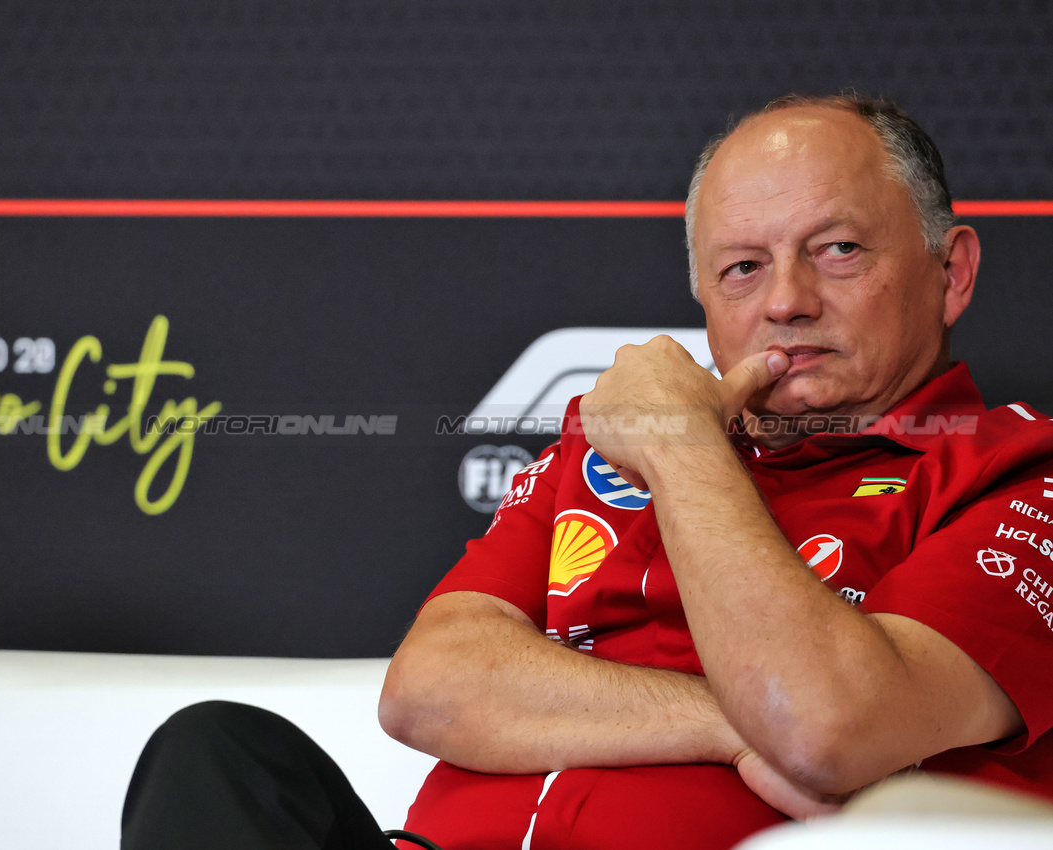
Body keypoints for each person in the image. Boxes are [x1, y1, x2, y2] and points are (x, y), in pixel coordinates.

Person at [121, 94, 1053, 850]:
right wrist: (730, 729)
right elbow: (430, 686)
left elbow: (823, 728)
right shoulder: (607, 440)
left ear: (950, 271)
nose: (784, 302)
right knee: (215, 757)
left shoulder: (1015, 474)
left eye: (837, 250)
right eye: (739, 268)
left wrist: (685, 449)